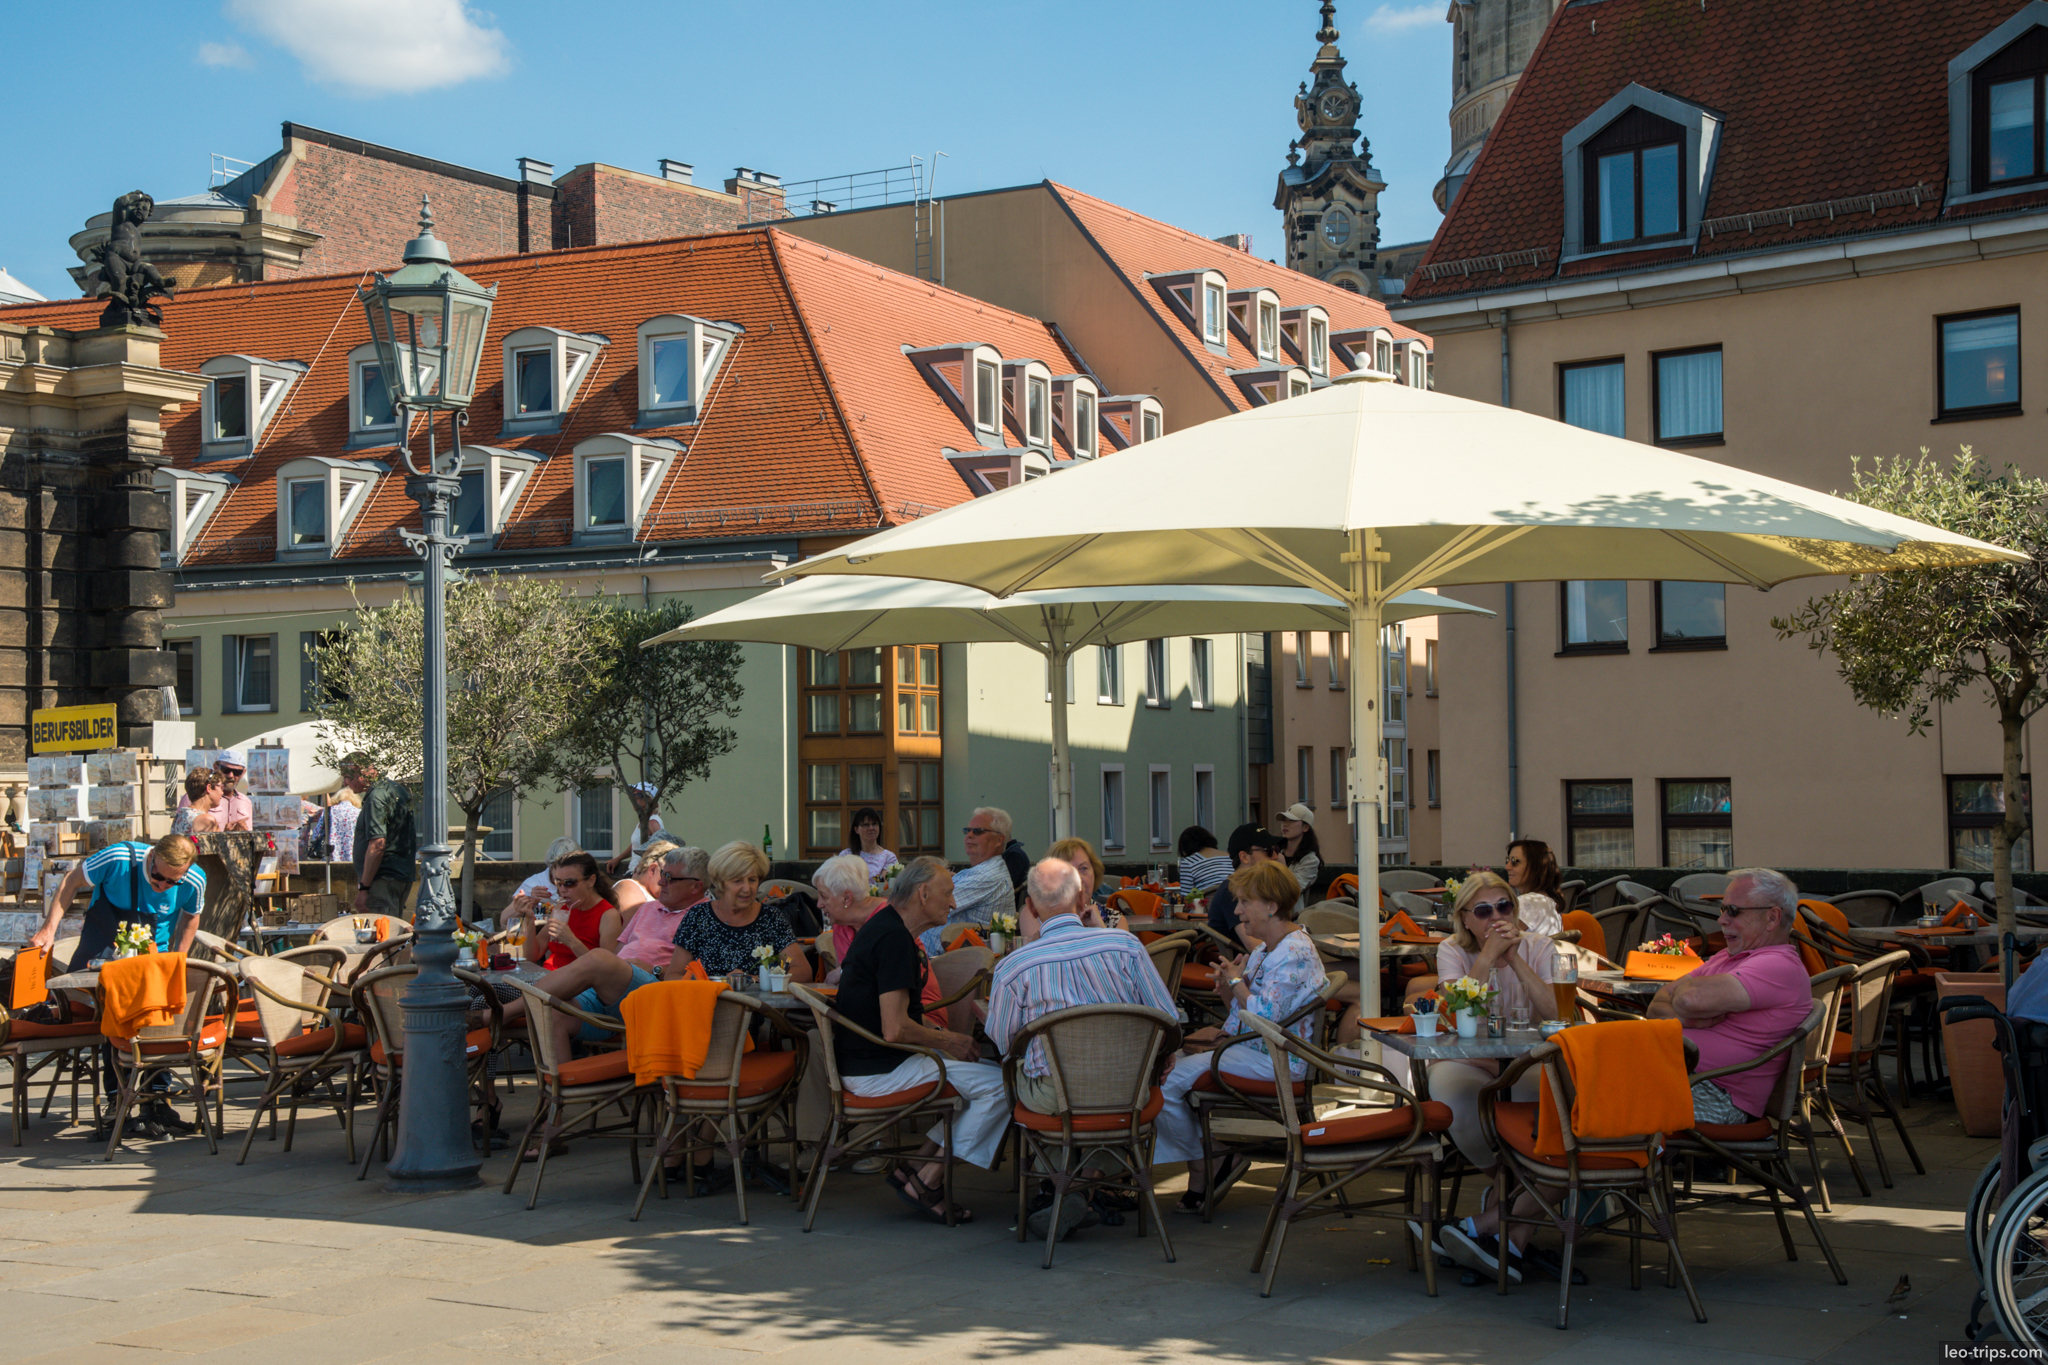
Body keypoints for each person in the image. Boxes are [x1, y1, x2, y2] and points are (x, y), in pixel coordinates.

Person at [986, 858, 1180, 1237]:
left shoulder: (1015, 966)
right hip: (1127, 1091)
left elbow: (1003, 1042)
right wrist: (1164, 1054)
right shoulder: (1126, 946)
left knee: (1025, 1079)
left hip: (1055, 1097)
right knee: (1121, 1098)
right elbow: (1167, 1019)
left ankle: (1062, 1186)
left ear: (1029, 907)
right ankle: (1086, 1182)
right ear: (1082, 899)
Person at [834, 856, 1010, 1224]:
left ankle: (915, 1168)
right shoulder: (894, 938)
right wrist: (949, 1042)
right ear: (923, 892)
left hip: (867, 1059)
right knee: (1003, 1088)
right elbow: (895, 1029)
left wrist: (943, 1040)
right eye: (948, 893)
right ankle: (925, 1178)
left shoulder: (887, 928)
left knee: (981, 1080)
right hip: (878, 1070)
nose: (953, 902)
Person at [1154, 860, 1326, 1212]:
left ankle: (1210, 1160)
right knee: (1161, 1073)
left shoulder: (1294, 952)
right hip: (1257, 1049)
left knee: (1164, 1084)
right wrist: (1230, 990)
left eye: (1245, 902)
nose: (1237, 911)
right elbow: (1249, 1012)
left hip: (1279, 1058)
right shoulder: (1269, 948)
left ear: (1272, 905)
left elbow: (1265, 1017)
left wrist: (1236, 983)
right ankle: (1211, 1159)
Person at [1430, 872, 1563, 1283]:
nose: (1496, 917)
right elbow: (1456, 1014)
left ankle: (1499, 1219)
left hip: (1531, 1059)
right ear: (1465, 918)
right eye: (1483, 911)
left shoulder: (1541, 947)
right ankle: (1517, 1204)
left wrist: (1516, 959)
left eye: (1504, 907)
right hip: (1471, 1059)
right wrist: (1487, 958)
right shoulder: (1452, 950)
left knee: (1547, 1106)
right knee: (1455, 1100)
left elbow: (1554, 1013)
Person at [1647, 867, 1815, 1127]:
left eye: (1733, 911)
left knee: (1594, 1095)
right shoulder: (1730, 956)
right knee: (1574, 1068)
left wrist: (1681, 1000)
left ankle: (1635, 1163)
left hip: (1716, 1094)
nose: (1722, 920)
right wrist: (1694, 1021)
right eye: (1723, 909)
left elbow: (1687, 998)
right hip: (1680, 1076)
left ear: (1772, 918)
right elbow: (1656, 1005)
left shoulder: (1778, 966)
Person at [32, 834, 204, 967]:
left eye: (173, 881)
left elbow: (191, 916)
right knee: (79, 1006)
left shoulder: (195, 881)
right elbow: (71, 881)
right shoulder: (118, 858)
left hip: (152, 956)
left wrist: (180, 958)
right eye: (158, 875)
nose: (162, 885)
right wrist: (48, 930)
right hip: (99, 947)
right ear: (152, 856)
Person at [665, 841, 812, 982]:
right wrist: (714, 983)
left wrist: (755, 980)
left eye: (752, 880)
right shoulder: (698, 916)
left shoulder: (771, 918)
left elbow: (803, 972)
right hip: (709, 1003)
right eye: (737, 881)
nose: (747, 888)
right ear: (721, 883)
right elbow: (673, 975)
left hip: (758, 1005)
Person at [918, 807, 1018, 954]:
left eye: (978, 831)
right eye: (967, 830)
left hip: (943, 963)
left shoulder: (986, 876)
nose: (969, 835)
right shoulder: (983, 871)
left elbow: (926, 905)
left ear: (999, 840)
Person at [340, 753, 417, 920]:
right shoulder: (394, 789)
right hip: (400, 875)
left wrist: (364, 888)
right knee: (392, 934)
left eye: (346, 776)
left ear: (358, 771)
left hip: (383, 879)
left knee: (382, 937)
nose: (345, 783)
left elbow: (377, 845)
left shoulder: (376, 798)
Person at [1205, 824, 1285, 942]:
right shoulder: (1232, 891)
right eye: (1268, 851)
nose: (1275, 856)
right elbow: (1256, 946)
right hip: (1246, 959)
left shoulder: (1260, 887)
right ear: (1244, 857)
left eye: (1277, 850)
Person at [177, 748, 251, 831]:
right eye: (226, 770)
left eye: (237, 772)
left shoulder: (246, 802)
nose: (231, 775)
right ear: (216, 767)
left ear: (243, 773)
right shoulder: (193, 797)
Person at [1505, 838, 1565, 937]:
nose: (1507, 866)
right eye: (1507, 860)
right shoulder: (1548, 902)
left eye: (1514, 861)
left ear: (1535, 867)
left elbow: (1499, 942)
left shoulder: (1527, 903)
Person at [608, 783, 669, 874]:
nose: (634, 799)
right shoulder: (644, 821)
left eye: (639, 796)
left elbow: (663, 846)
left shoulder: (652, 822)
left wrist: (645, 865)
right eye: (633, 796)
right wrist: (618, 859)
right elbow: (636, 845)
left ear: (650, 799)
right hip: (635, 872)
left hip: (642, 874)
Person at [838, 807, 898, 883]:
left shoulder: (888, 858)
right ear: (856, 830)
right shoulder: (845, 856)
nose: (871, 828)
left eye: (874, 824)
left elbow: (883, 886)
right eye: (866, 825)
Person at [301, 788, 358, 865]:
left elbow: (317, 832)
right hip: (352, 855)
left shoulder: (330, 811)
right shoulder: (358, 813)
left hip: (330, 854)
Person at [1275, 803, 1322, 892]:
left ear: (1305, 827)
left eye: (1291, 820)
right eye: (1284, 820)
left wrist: (1281, 864)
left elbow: (1291, 890)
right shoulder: (1275, 852)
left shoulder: (1310, 861)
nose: (1285, 824)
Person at [170, 767, 224, 837]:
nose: (222, 792)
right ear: (209, 788)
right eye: (221, 787)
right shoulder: (206, 820)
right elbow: (211, 847)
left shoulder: (181, 815)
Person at [1177, 826, 1232, 892]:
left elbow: (1187, 897)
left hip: (1209, 901)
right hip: (1238, 899)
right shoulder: (1231, 856)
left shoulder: (1188, 862)